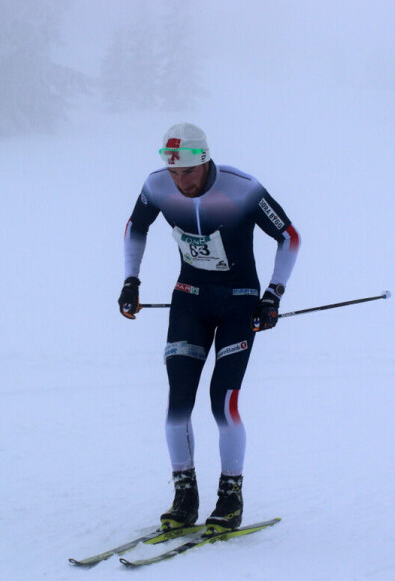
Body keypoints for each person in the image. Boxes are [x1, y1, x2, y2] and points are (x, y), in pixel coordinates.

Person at [118, 123, 300, 532]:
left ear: (205, 160)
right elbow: (136, 227)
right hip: (189, 299)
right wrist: (131, 280)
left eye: (188, 172)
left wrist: (273, 294)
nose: (180, 182)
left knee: (224, 403)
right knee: (178, 402)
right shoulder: (157, 186)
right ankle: (185, 497)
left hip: (239, 304)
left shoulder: (242, 189)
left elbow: (289, 237)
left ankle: (230, 496)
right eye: (173, 172)